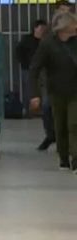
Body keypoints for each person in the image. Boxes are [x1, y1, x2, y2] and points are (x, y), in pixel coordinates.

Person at [28, 10, 77, 172]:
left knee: (74, 124)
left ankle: (75, 158)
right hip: (56, 90)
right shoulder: (48, 44)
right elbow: (34, 69)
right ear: (64, 27)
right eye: (73, 24)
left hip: (75, 90)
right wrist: (35, 94)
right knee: (60, 125)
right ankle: (63, 157)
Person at [19, 20, 54, 151]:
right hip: (35, 72)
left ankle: (53, 136)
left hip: (51, 78)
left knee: (48, 106)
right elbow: (20, 52)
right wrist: (26, 65)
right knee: (45, 104)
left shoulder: (49, 43)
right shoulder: (29, 40)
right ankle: (51, 134)